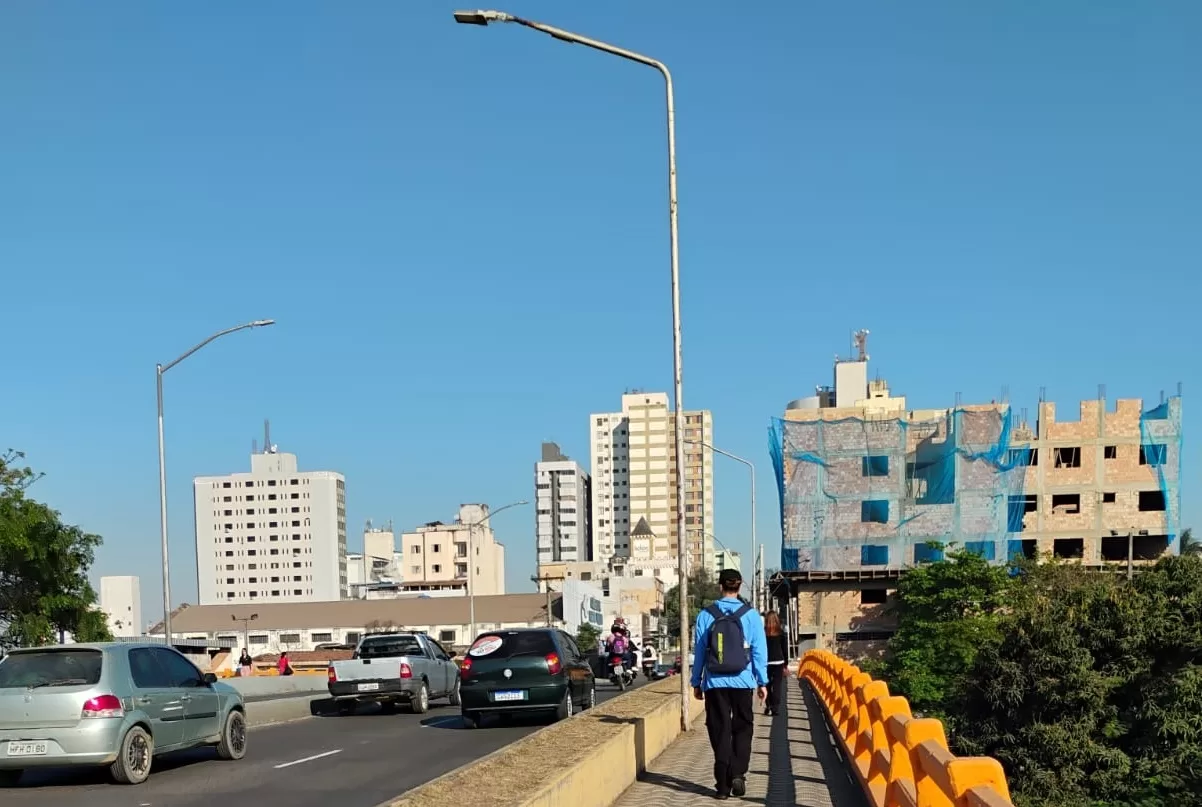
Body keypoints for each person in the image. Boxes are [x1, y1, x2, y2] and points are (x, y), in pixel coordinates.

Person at [691, 569, 767, 800]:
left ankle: (722, 786)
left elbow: (700, 653)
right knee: (743, 728)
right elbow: (758, 652)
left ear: (720, 585)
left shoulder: (705, 615)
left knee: (720, 730)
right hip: (743, 681)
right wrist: (762, 681)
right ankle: (738, 772)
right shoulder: (751, 615)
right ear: (740, 585)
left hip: (715, 683)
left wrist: (697, 682)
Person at [763, 610, 788, 716]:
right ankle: (775, 708)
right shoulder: (781, 633)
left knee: (767, 684)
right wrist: (786, 663)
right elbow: (784, 649)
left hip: (766, 662)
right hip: (779, 661)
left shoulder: (763, 633)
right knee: (777, 685)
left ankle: (768, 704)